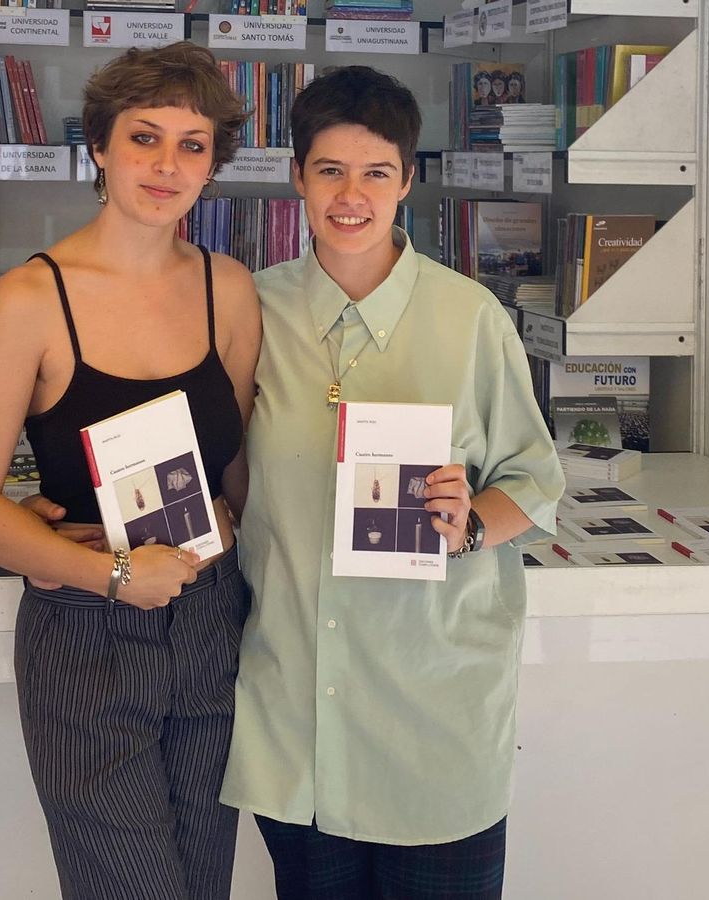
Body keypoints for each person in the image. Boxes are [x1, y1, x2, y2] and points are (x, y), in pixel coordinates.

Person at [218, 66, 564, 898]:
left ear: (408, 181)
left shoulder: (469, 316)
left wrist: (471, 520)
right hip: (296, 706)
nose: (351, 195)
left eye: (377, 173)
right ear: (297, 176)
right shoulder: (251, 310)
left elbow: (535, 479)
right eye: (329, 170)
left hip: (431, 705)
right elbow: (220, 465)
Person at [0, 42, 261, 900]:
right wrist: (113, 574)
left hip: (213, 625)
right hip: (86, 632)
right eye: (144, 138)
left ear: (214, 164)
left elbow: (235, 469)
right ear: (99, 147)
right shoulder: (30, 299)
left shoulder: (227, 290)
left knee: (204, 883)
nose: (167, 164)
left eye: (192, 145)